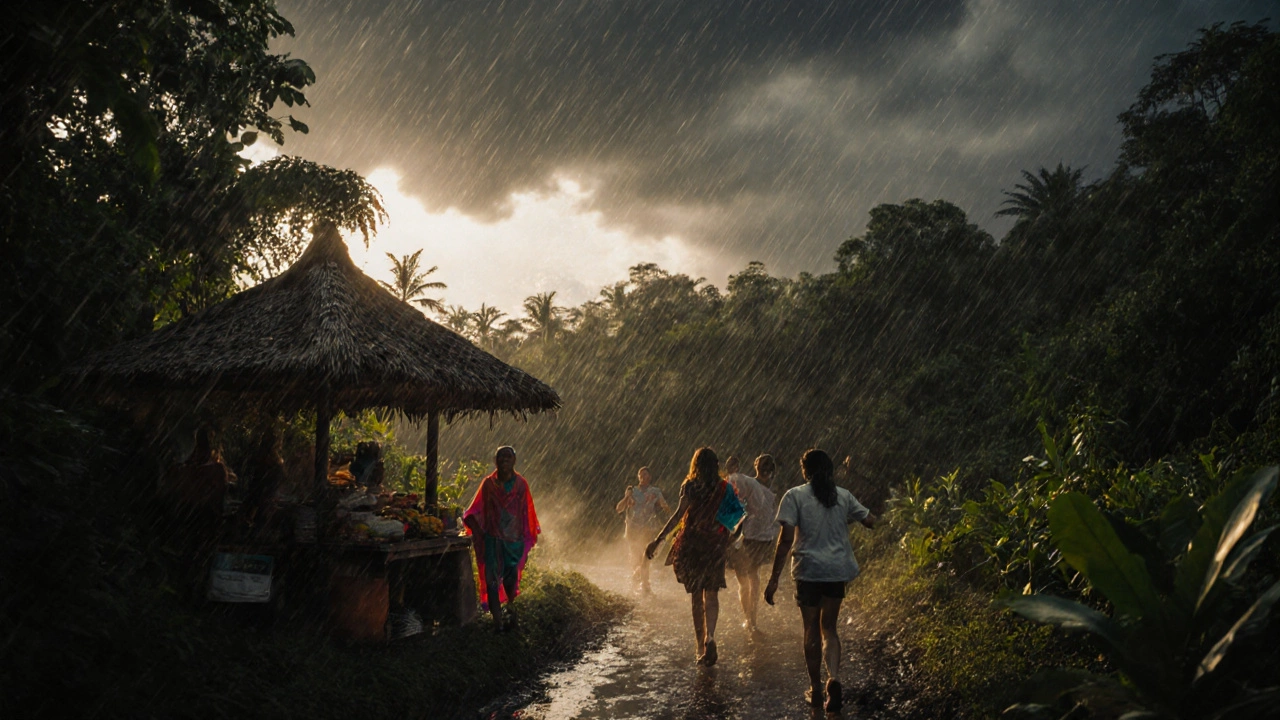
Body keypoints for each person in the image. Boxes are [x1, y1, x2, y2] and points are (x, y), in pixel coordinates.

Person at [764, 449, 877, 714]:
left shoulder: (794, 496)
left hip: (809, 571)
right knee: (830, 628)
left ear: (805, 471)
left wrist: (774, 579)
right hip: (836, 570)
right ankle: (834, 679)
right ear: (830, 470)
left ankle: (816, 688)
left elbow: (785, 542)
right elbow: (871, 521)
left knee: (811, 628)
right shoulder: (843, 495)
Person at [646, 447, 744, 666]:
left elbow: (678, 516)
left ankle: (700, 646)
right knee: (712, 594)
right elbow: (736, 517)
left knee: (696, 597)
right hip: (714, 546)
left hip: (692, 545)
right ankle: (711, 638)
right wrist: (730, 537)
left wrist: (659, 539)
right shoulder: (724, 487)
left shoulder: (690, 486)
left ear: (695, 465)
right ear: (716, 465)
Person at [463, 446, 540, 631]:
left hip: (514, 542)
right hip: (492, 540)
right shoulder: (488, 484)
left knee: (511, 582)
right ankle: (497, 623)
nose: (504, 460)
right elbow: (474, 509)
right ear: (495, 461)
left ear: (514, 460)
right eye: (500, 456)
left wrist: (525, 538)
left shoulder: (521, 484)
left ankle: (512, 616)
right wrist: (477, 530)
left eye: (508, 456)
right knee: (491, 580)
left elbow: (526, 513)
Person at [726, 454, 778, 641]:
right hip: (761, 539)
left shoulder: (746, 484)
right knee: (753, 577)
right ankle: (752, 620)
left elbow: (735, 509)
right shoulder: (766, 489)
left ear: (756, 466)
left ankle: (749, 619)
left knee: (744, 581)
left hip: (746, 538)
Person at [616, 466, 670, 593]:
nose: (643, 477)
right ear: (638, 477)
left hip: (647, 528)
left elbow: (665, 506)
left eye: (645, 475)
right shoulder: (632, 491)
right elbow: (619, 508)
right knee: (636, 556)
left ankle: (645, 583)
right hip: (632, 528)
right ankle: (637, 577)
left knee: (645, 556)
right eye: (641, 475)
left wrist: (662, 508)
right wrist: (627, 498)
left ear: (650, 477)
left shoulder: (655, 492)